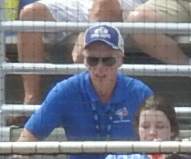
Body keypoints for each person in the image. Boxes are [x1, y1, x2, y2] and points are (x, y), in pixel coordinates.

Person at [17, 25, 153, 159]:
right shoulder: (65, 91)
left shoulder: (140, 93)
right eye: (93, 60)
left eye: (108, 60)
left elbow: (158, 141)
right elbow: (28, 137)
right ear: (84, 60)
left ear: (120, 60)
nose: (100, 67)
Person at [11, 0, 139, 106]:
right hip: (80, 4)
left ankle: (94, 103)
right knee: (30, 13)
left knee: (103, 3)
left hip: (121, 4)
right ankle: (31, 100)